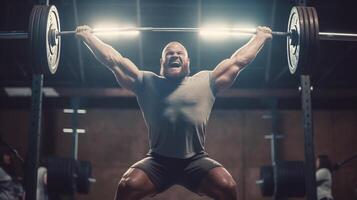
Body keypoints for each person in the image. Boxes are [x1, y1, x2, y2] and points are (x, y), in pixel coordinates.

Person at [76, 25, 272, 200]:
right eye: (169, 53)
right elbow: (114, 61)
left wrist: (261, 37)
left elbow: (238, 61)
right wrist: (88, 37)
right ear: (162, 61)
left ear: (188, 61)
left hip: (195, 159)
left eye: (179, 53)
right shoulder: (146, 82)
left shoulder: (206, 81)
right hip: (158, 161)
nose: (175, 55)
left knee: (227, 188)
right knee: (127, 187)